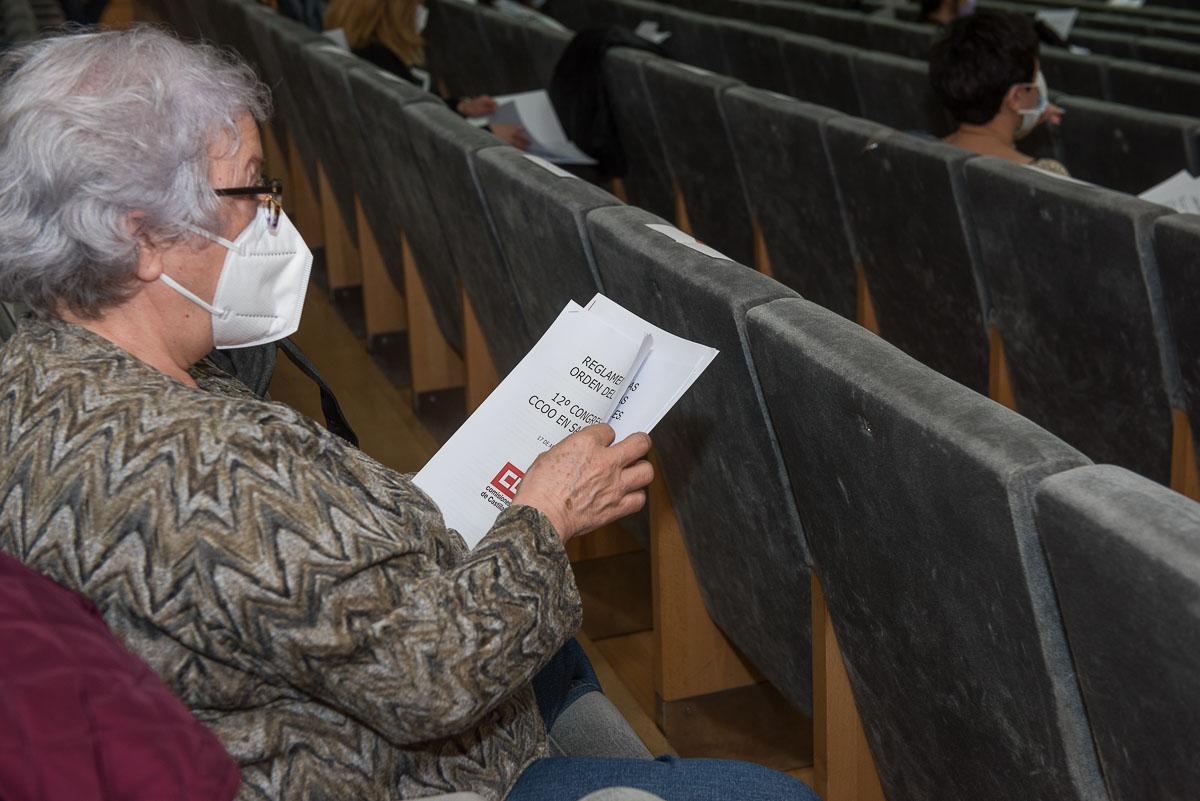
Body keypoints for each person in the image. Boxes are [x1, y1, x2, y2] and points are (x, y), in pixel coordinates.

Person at [0, 27, 820, 801]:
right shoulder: (212, 466)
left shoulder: (30, 369)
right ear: (142, 238)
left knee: (560, 664)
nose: (274, 215)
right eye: (252, 187)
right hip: (391, 769)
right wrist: (543, 513)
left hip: (295, 690)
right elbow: (431, 679)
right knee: (777, 792)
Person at [322, 0, 530, 148]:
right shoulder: (379, 59)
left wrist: (460, 106)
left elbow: (415, 107)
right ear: (399, 10)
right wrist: (489, 136)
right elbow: (420, 133)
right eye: (419, 4)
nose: (422, 11)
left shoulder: (358, 48)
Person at [929, 9, 1069, 176]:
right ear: (1016, 97)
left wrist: (1014, 127)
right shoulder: (1048, 176)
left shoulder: (925, 153)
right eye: (1035, 77)